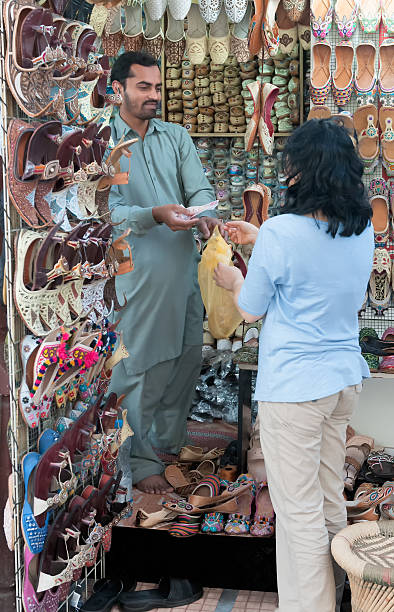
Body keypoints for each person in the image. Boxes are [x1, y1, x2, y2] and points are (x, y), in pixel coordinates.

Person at [214, 119, 373, 612]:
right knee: (327, 502)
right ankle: (340, 596)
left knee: (298, 513)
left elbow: (251, 308)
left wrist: (232, 278)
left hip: (296, 389)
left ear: (304, 173)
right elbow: (314, 258)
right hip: (342, 380)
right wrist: (262, 238)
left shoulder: (283, 233)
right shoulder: (360, 227)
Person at [108, 51, 222, 494]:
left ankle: (167, 446)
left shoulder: (174, 136)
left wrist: (207, 213)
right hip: (139, 275)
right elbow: (105, 214)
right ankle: (138, 461)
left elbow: (199, 187)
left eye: (158, 87)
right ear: (118, 89)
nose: (154, 95)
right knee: (143, 368)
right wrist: (153, 214)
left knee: (187, 357)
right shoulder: (104, 142)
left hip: (182, 269)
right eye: (144, 88)